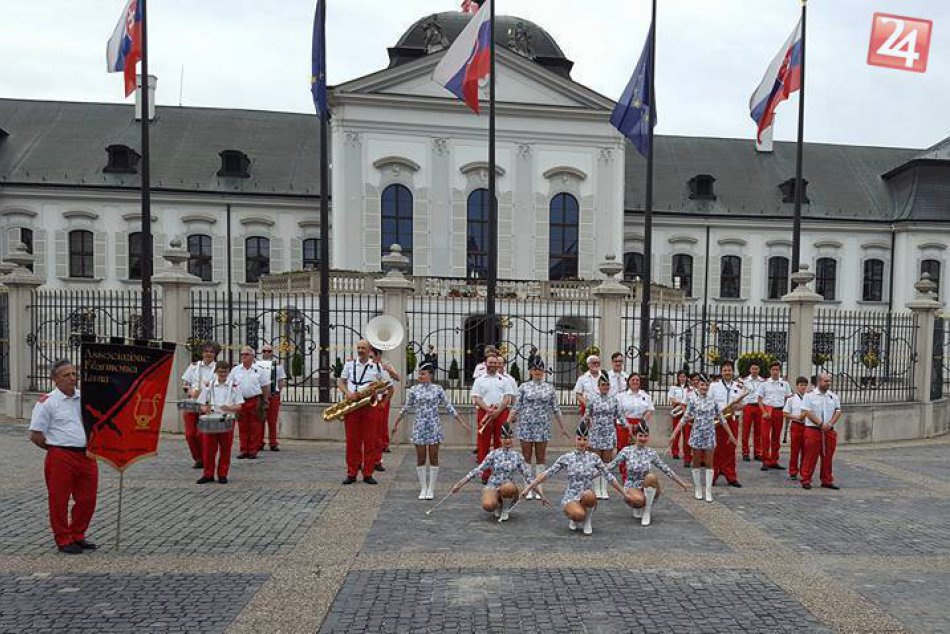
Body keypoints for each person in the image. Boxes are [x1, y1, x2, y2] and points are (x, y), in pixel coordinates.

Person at [28, 359, 98, 554]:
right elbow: (35, 435)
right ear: (55, 379)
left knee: (88, 499)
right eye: (66, 375)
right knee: (59, 500)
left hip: (86, 454)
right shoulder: (47, 402)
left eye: (74, 374)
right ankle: (63, 538)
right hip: (60, 455)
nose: (72, 378)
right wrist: (55, 449)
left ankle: (78, 534)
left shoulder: (84, 398)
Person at [522, 420, 631, 535]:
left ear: (588, 441)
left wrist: (624, 493)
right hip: (571, 497)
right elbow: (547, 473)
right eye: (579, 439)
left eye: (585, 439)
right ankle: (575, 517)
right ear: (575, 440)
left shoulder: (594, 458)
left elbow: (609, 477)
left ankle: (588, 521)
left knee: (589, 494)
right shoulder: (567, 457)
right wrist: (528, 488)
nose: (582, 442)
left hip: (587, 497)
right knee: (578, 515)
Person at [391, 363, 470, 499]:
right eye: (419, 373)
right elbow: (406, 407)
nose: (420, 376)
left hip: (434, 426)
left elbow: (448, 406)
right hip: (419, 426)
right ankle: (423, 488)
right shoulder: (414, 389)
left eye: (423, 373)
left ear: (430, 374)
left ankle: (431, 489)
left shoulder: (438, 389)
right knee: (421, 458)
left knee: (433, 457)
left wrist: (462, 422)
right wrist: (396, 423)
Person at [507, 357, 569, 500]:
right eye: (535, 369)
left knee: (541, 458)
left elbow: (556, 409)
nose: (538, 372)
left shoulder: (549, 388)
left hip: (542, 426)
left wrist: (563, 427)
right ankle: (528, 487)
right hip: (526, 426)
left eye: (540, 369)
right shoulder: (523, 387)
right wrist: (507, 422)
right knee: (527, 457)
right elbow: (517, 406)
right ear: (530, 371)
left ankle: (539, 486)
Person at [607, 422, 689, 526]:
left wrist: (681, 483)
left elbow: (666, 469)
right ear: (635, 436)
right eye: (640, 435)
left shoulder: (651, 453)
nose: (643, 438)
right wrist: (595, 473)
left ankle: (647, 512)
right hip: (631, 486)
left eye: (645, 436)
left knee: (651, 477)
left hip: (647, 486)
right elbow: (611, 466)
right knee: (639, 500)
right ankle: (639, 505)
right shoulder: (627, 451)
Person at [451, 422, 532, 521]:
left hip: (508, 488)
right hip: (493, 486)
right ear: (500, 440)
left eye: (509, 438)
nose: (507, 441)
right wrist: (459, 484)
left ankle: (505, 509)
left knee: (508, 487)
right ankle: (498, 506)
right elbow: (478, 470)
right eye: (504, 438)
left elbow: (528, 476)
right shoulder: (493, 454)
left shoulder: (517, 456)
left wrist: (541, 495)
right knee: (488, 505)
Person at [674, 374, 736, 503]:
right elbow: (685, 418)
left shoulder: (713, 402)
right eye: (702, 384)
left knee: (709, 463)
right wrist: (674, 434)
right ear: (697, 386)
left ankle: (708, 490)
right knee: (696, 462)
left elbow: (722, 419)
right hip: (697, 433)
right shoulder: (692, 400)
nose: (704, 387)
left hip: (709, 434)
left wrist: (730, 434)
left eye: (706, 385)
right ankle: (698, 488)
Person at [337, 339, 391, 485]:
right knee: (352, 441)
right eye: (359, 347)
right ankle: (352, 472)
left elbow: (387, 386)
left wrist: (376, 389)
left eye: (363, 348)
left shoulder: (378, 367)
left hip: (369, 406)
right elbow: (340, 382)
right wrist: (347, 393)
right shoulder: (349, 364)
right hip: (352, 404)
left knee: (371, 441)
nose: (360, 350)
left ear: (369, 350)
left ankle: (368, 473)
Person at [195, 361, 243, 484]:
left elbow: (239, 406)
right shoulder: (209, 385)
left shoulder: (234, 386)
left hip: (227, 420)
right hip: (211, 421)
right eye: (220, 371)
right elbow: (200, 404)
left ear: (228, 372)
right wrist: (204, 408)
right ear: (216, 372)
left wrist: (229, 408)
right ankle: (208, 474)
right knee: (208, 449)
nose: (222, 374)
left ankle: (222, 474)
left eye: (225, 371)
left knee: (225, 449)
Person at [471, 353, 516, 483]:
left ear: (498, 365)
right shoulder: (479, 380)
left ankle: (499, 473)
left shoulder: (505, 380)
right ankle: (485, 474)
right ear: (486, 363)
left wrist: (498, 411)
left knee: (500, 443)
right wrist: (487, 409)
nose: (493, 365)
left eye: (495, 363)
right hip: (485, 412)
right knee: (483, 444)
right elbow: (477, 397)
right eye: (490, 363)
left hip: (501, 412)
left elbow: (508, 397)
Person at [582, 371, 624, 499]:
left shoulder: (614, 400)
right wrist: (583, 430)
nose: (605, 386)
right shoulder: (592, 399)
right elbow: (587, 415)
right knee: (596, 461)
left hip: (609, 433)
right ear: (598, 386)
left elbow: (620, 416)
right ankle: (596, 489)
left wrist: (628, 426)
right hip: (595, 433)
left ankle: (604, 489)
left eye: (607, 384)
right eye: (602, 384)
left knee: (606, 462)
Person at [227, 346, 271, 460]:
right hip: (240, 401)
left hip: (255, 400)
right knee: (242, 426)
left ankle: (252, 450)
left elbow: (265, 386)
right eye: (242, 354)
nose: (243, 356)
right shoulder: (235, 370)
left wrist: (266, 401)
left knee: (255, 426)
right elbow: (229, 385)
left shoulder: (259, 369)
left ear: (252, 356)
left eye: (246, 354)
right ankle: (244, 449)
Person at [800, 372, 841, 490]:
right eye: (825, 381)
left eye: (829, 381)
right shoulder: (810, 396)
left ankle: (827, 479)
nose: (828, 383)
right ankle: (806, 479)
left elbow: (838, 411)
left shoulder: (833, 396)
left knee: (828, 456)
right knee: (811, 456)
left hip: (829, 430)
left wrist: (830, 424)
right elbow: (807, 412)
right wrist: (820, 423)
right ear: (819, 382)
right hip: (813, 429)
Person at [180, 343, 219, 469]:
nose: (208, 354)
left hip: (208, 404)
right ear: (202, 353)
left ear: (215, 354)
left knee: (202, 434)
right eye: (206, 351)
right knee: (190, 434)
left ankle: (205, 458)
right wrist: (191, 392)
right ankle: (198, 458)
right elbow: (185, 384)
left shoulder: (218, 368)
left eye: (211, 352)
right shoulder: (193, 367)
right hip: (193, 402)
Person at [709, 360, 746, 488]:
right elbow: (709, 402)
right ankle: (713, 475)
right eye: (725, 370)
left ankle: (731, 476)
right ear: (721, 372)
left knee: (731, 448)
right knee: (716, 448)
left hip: (732, 420)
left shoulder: (739, 386)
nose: (727, 372)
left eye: (729, 370)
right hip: (717, 421)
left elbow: (744, 405)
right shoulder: (714, 386)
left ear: (732, 371)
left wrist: (737, 407)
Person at [617, 373, 654, 483]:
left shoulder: (645, 395)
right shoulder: (621, 396)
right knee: (624, 449)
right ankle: (625, 475)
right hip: (624, 424)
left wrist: (640, 423)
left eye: (637, 380)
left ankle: (637, 474)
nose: (635, 382)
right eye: (633, 380)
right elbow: (619, 412)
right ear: (628, 381)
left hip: (639, 424)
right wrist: (627, 425)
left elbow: (650, 410)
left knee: (638, 449)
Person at [369, 346, 401, 469]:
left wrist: (389, 370)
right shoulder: (365, 365)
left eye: (372, 356)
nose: (370, 359)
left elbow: (397, 378)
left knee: (381, 425)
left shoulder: (386, 364)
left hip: (382, 398)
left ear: (379, 356)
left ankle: (382, 449)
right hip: (370, 399)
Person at [759, 361, 792, 471]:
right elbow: (759, 399)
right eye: (773, 370)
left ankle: (774, 460)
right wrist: (763, 411)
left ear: (780, 371)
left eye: (777, 370)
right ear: (770, 371)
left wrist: (787, 411)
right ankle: (765, 460)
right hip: (768, 410)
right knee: (765, 437)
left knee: (776, 437)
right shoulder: (764, 384)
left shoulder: (785, 384)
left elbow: (789, 398)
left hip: (779, 411)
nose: (775, 372)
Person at [256, 344, 286, 452]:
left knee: (272, 420)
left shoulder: (278, 366)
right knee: (260, 419)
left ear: (272, 352)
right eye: (264, 351)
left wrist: (278, 393)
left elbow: (281, 381)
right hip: (260, 395)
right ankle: (259, 442)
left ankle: (273, 442)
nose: (266, 353)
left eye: (269, 351)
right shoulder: (257, 365)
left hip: (274, 394)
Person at [783, 376, 810, 481]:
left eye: (805, 385)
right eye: (801, 385)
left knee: (806, 450)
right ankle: (793, 471)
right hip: (796, 425)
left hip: (807, 426)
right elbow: (785, 413)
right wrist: (796, 417)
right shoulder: (791, 399)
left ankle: (804, 471)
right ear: (797, 386)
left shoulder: (810, 398)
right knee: (795, 450)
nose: (803, 387)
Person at [740, 362, 765, 461]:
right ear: (750, 370)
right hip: (748, 406)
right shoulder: (745, 381)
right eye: (753, 369)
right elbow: (741, 394)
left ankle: (757, 452)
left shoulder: (763, 381)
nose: (754, 371)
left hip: (758, 406)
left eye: (756, 369)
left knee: (758, 430)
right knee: (746, 430)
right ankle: (745, 452)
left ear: (759, 370)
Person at [667, 371, 689, 460]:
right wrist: (680, 403)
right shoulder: (674, 387)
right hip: (677, 410)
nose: (682, 378)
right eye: (680, 377)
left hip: (687, 410)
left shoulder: (690, 388)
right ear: (678, 378)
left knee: (686, 433)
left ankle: (686, 452)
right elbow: (671, 399)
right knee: (676, 432)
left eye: (684, 376)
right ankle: (675, 452)